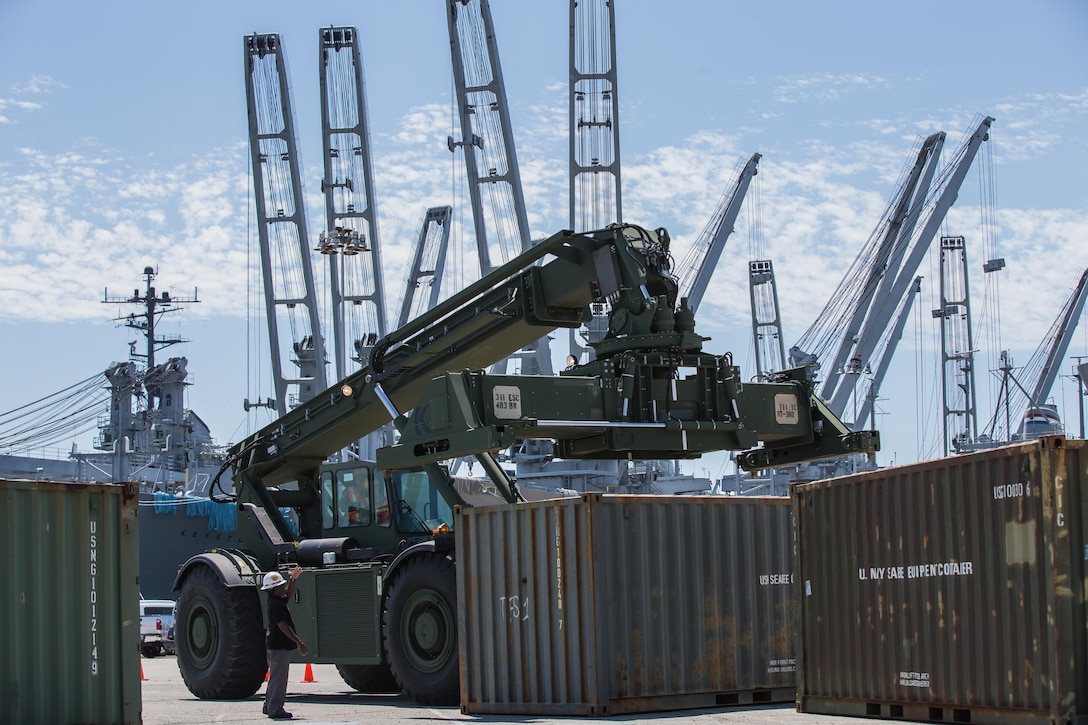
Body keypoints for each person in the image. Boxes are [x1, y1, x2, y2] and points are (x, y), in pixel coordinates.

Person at [261, 565, 307, 720]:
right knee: (279, 678)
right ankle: (275, 708)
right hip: (278, 646)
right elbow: (283, 626)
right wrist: (299, 642)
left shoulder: (276, 600)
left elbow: (288, 593)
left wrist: (293, 578)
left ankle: (269, 705)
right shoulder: (276, 605)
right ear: (274, 589)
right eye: (281, 586)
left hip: (275, 645)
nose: (283, 588)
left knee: (275, 676)